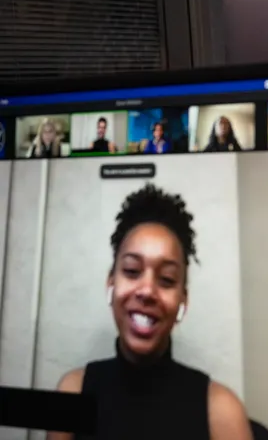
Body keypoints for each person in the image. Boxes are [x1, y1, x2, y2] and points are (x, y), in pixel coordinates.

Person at [49, 184, 253, 440]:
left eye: (167, 279)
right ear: (110, 284)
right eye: (132, 271)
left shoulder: (221, 412)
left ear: (183, 302)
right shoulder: (72, 392)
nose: (146, 291)